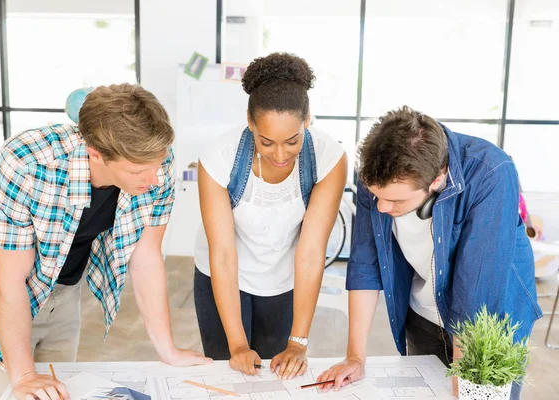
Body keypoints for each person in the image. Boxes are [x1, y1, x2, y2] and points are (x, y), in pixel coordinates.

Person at [0, 83, 211, 400]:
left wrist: (169, 351)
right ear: (96, 154)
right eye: (138, 171)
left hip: (66, 292)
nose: (154, 180)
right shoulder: (26, 164)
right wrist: (24, 376)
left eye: (157, 165)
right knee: (9, 394)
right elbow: (8, 280)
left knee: (61, 392)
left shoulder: (152, 158)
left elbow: (146, 257)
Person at [318, 106, 542, 399]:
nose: (382, 208)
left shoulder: (491, 172)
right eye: (377, 196)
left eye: (395, 199)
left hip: (489, 324)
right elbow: (365, 264)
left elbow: (477, 290)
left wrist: (467, 379)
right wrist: (355, 358)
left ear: (437, 179)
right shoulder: (374, 172)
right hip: (423, 312)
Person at [194, 52, 347, 379]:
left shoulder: (328, 158)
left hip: (284, 280)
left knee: (275, 375)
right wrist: (236, 345)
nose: (280, 154)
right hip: (219, 275)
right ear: (250, 123)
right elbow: (222, 255)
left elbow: (310, 253)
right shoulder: (219, 157)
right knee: (231, 371)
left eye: (292, 141)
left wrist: (298, 342)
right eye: (267, 142)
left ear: (308, 120)